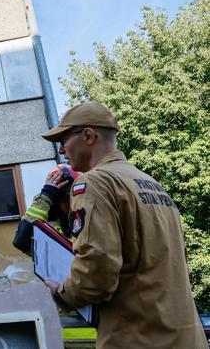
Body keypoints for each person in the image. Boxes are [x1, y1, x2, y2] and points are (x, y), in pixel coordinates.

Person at [40, 101, 206, 349]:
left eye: (64, 140)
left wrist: (61, 293)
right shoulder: (150, 183)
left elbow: (97, 274)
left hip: (137, 338)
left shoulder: (95, 183)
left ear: (88, 135)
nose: (63, 150)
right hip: (186, 337)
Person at [12, 164, 82, 254]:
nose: (74, 203)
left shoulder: (91, 219)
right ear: (56, 202)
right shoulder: (53, 227)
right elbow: (21, 242)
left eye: (79, 197)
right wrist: (45, 197)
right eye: (68, 199)